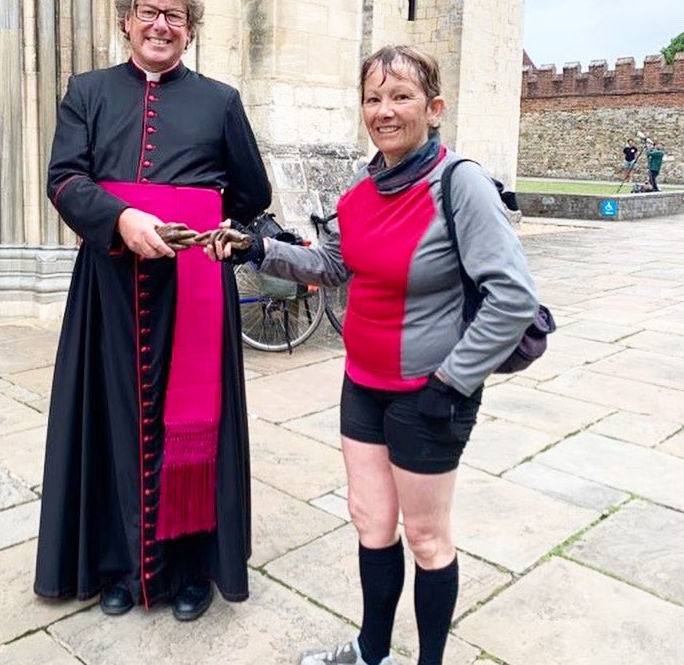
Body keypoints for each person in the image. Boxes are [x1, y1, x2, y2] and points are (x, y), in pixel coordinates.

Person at [207, 45, 538, 665]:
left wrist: (452, 383)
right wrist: (256, 250)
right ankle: (372, 651)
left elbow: (513, 299)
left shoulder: (459, 183)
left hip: (430, 392)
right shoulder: (360, 190)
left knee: (427, 536)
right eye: (373, 98)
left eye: (401, 96)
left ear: (434, 108)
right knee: (370, 520)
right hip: (363, 383)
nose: (384, 111)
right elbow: (332, 266)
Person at [34, 0, 271, 621]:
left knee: (195, 427)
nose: (160, 24)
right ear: (126, 20)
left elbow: (251, 194)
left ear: (190, 32)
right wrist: (120, 218)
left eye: (176, 16)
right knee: (111, 420)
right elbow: (64, 179)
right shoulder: (87, 92)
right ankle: (119, 566)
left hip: (194, 287)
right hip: (110, 283)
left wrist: (208, 224)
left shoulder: (220, 101)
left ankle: (190, 571)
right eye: (149, 11)